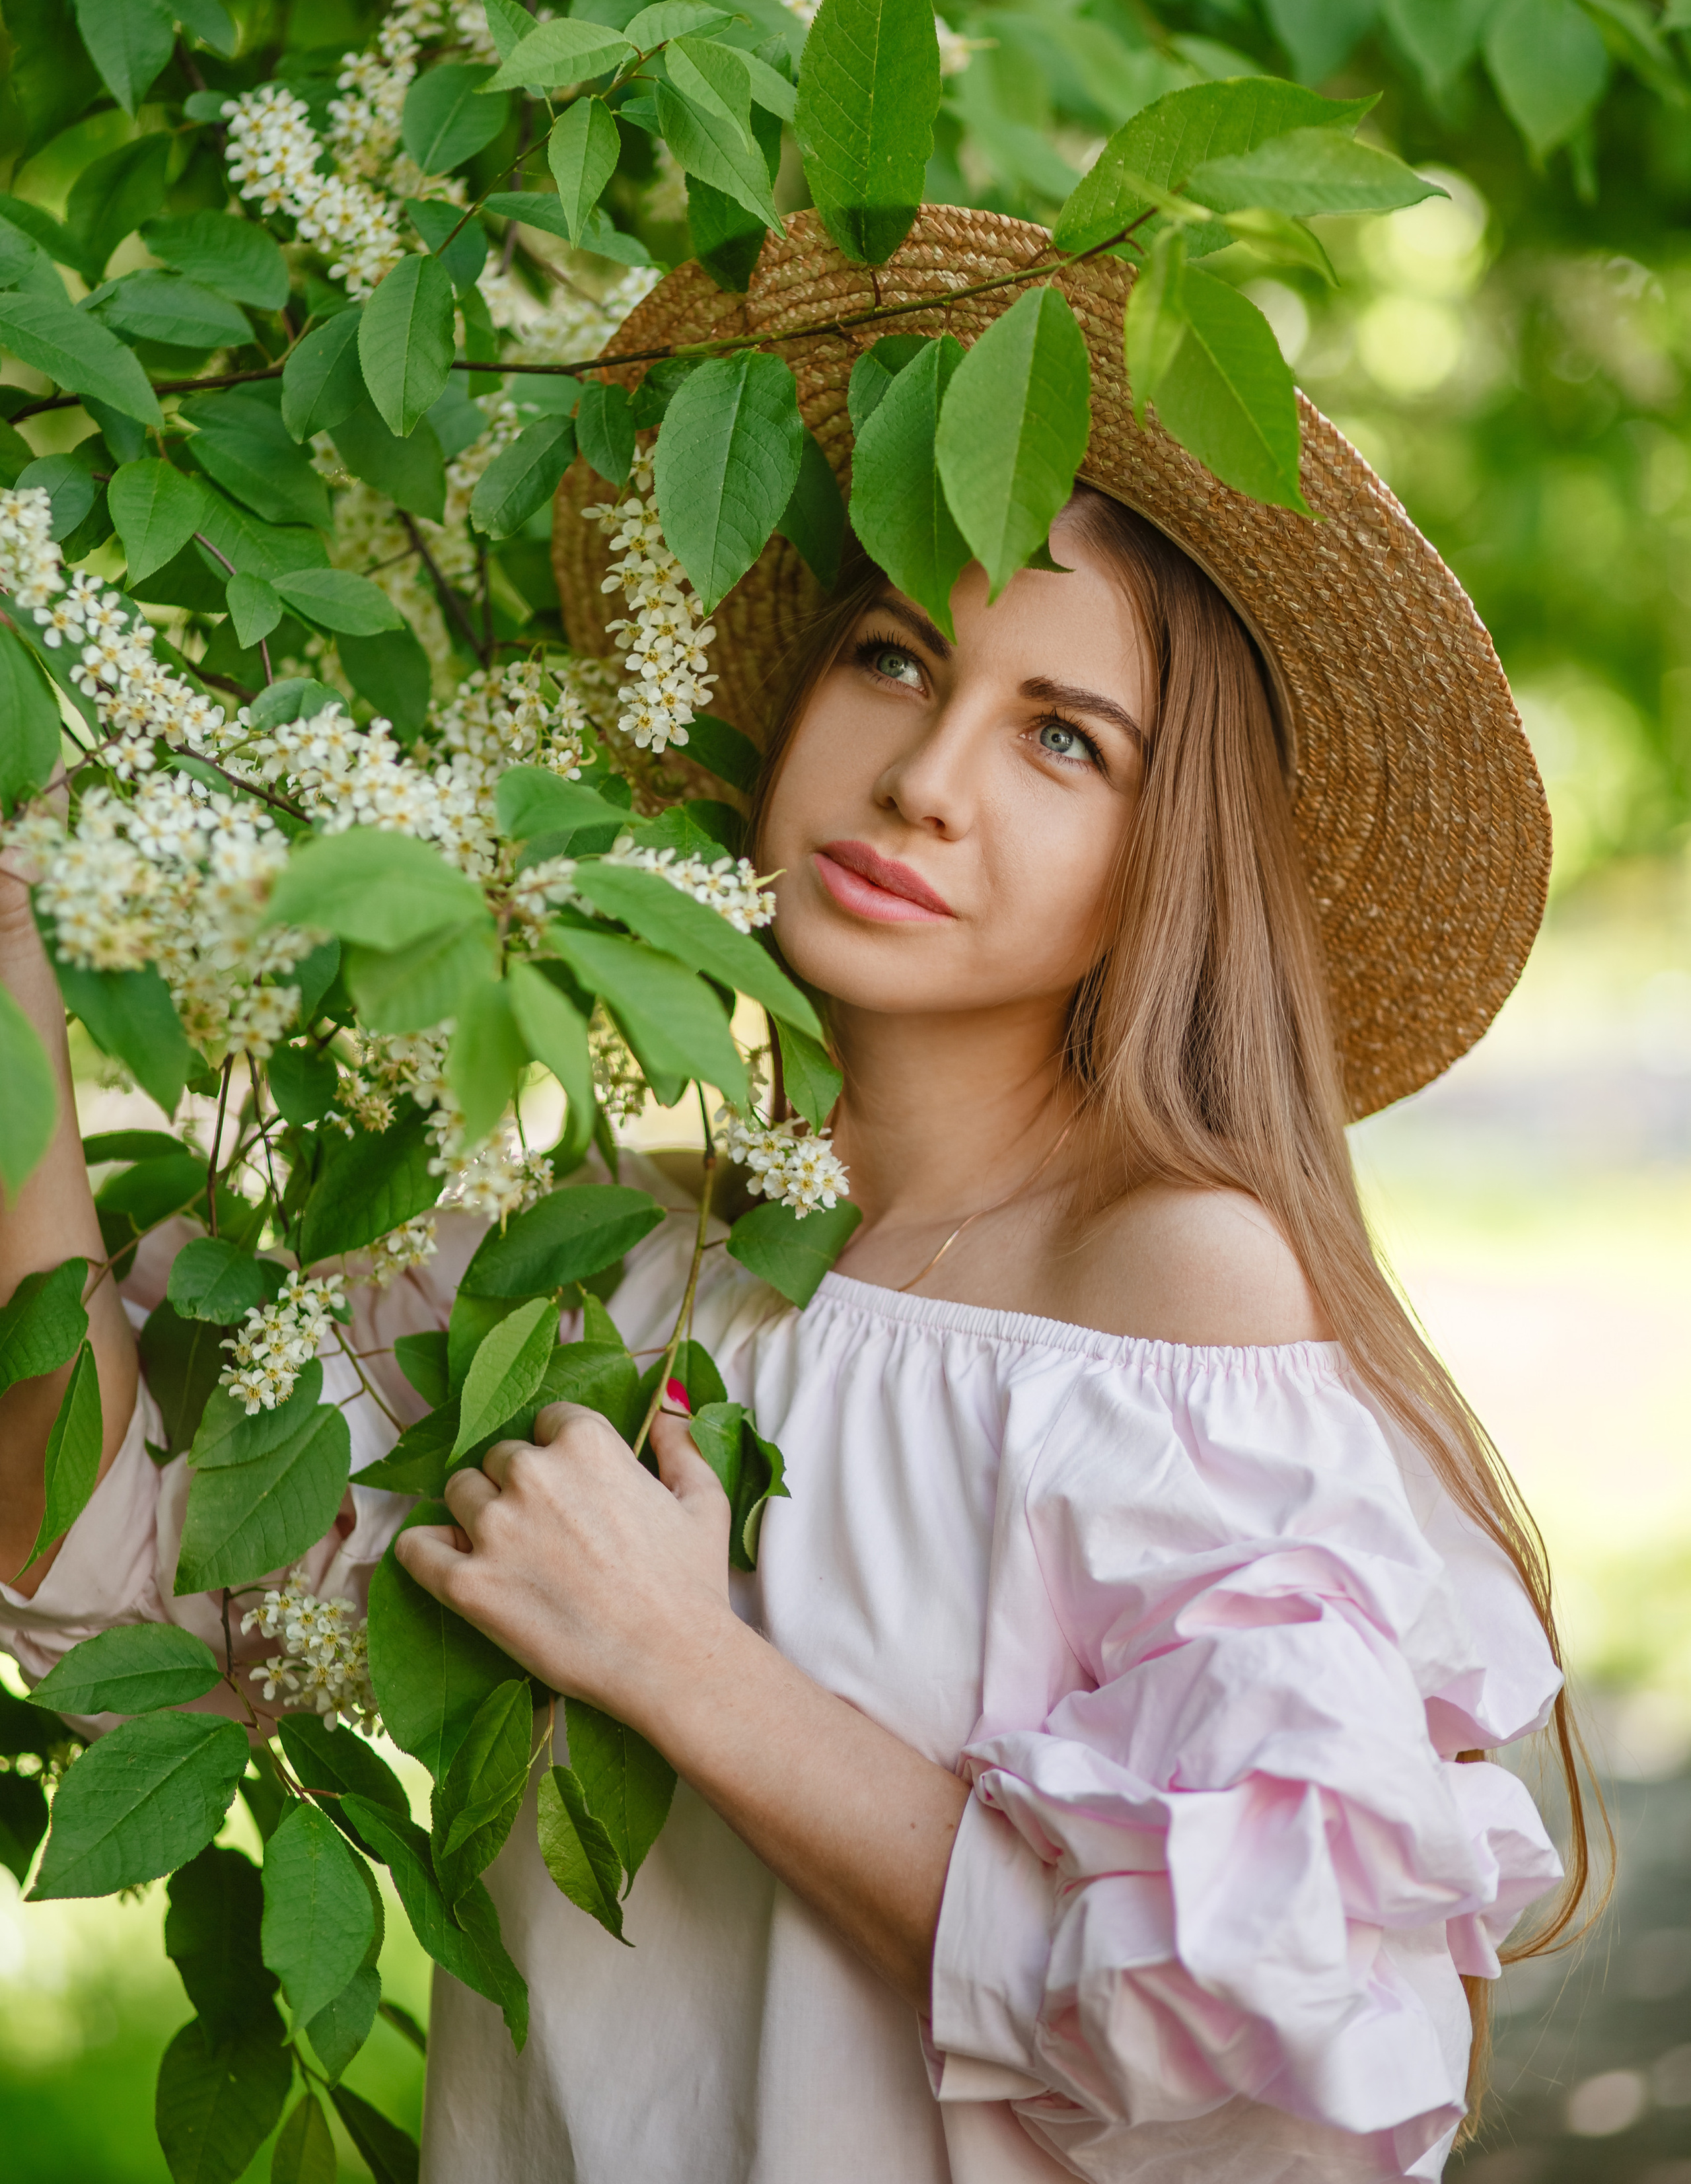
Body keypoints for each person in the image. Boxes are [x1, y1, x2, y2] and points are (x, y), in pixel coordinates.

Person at [0, 208, 1597, 2184]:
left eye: (1063, 739)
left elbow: (1253, 2036)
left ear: (1164, 857)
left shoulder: (1169, 1295)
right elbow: (100, 1571)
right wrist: (18, 999)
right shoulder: (590, 1266)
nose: (932, 776)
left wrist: (682, 1663)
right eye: (895, 653)